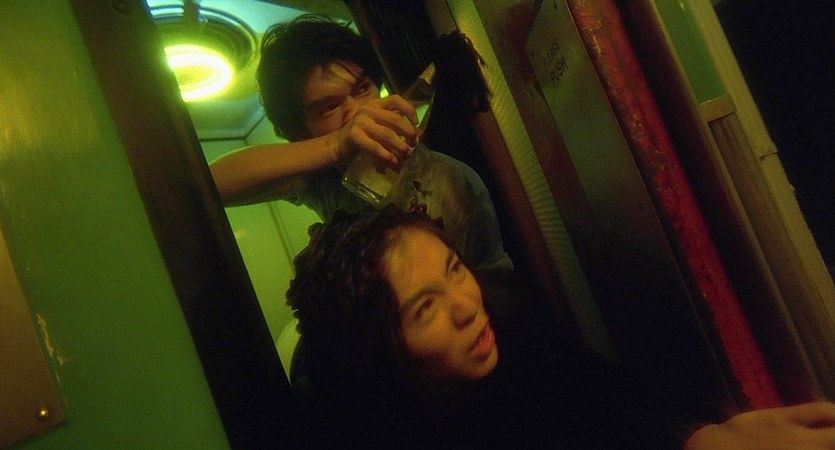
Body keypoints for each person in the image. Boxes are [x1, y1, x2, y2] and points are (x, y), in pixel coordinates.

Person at [286, 205, 835, 448]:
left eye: (454, 268)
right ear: (380, 353)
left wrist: (697, 437)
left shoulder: (509, 335)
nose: (466, 305)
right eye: (424, 309)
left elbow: (600, 396)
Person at [209, 14, 511, 273]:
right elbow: (212, 184)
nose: (358, 112)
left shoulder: (453, 180)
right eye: (329, 107)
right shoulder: (320, 180)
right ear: (300, 132)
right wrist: (335, 145)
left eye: (363, 88)